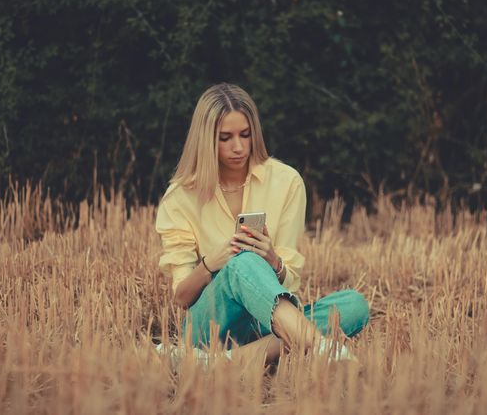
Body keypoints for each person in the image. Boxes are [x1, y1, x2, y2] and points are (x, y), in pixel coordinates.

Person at [155, 83, 368, 364]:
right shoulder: (179, 197)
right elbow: (182, 297)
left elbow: (289, 280)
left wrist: (272, 261)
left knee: (354, 306)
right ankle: (322, 349)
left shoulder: (287, 182)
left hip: (267, 322)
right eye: (225, 138)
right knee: (242, 261)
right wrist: (212, 264)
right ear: (205, 139)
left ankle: (221, 363)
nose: (239, 147)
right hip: (209, 328)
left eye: (245, 134)